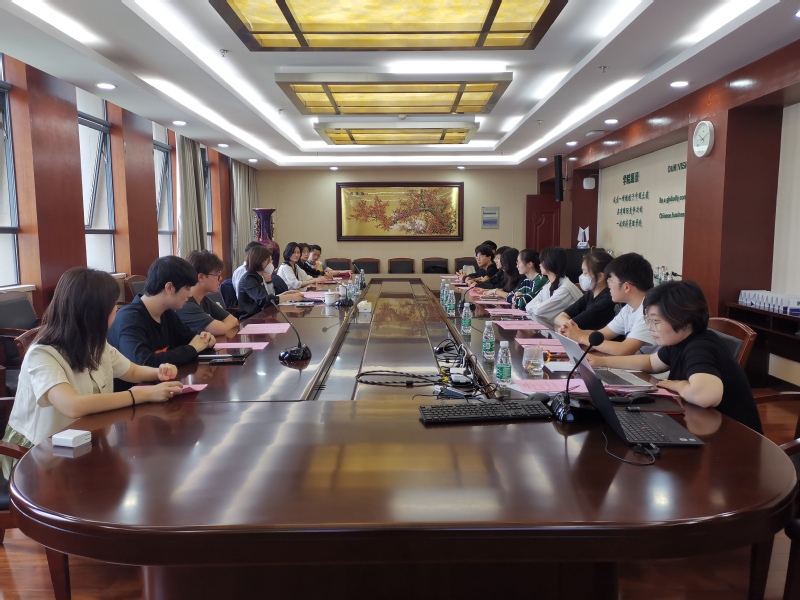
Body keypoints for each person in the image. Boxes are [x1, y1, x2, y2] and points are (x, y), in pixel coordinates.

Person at [2, 267, 184, 451]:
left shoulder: (94, 343)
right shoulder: (41, 354)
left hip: (85, 436)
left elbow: (132, 370)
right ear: (94, 314)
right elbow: (72, 406)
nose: (116, 309)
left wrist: (159, 372)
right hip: (38, 450)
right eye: (112, 305)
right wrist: (140, 395)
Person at [587, 280, 763, 434]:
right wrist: (603, 361)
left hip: (734, 439)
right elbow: (651, 362)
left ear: (684, 321)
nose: (650, 327)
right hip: (703, 426)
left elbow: (705, 396)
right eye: (648, 320)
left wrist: (676, 384)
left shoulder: (701, 346)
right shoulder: (679, 340)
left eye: (656, 321)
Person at [108, 256, 216, 372]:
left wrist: (205, 339)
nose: (190, 295)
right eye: (188, 288)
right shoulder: (130, 319)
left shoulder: (167, 313)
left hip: (165, 381)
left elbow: (190, 339)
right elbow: (143, 363)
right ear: (169, 287)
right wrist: (192, 348)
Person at [559, 252, 656, 355]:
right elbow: (602, 334)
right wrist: (572, 332)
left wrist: (581, 337)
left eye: (611, 281)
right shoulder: (629, 308)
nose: (608, 285)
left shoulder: (649, 311)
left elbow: (624, 349)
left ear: (626, 286)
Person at [178, 250, 239, 335]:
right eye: (217, 274)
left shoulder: (204, 299)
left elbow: (232, 320)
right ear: (201, 277)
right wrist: (221, 328)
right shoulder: (186, 304)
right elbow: (218, 329)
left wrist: (222, 328)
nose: (220, 278)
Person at [555, 250, 617, 332]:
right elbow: (559, 318)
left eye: (585, 273)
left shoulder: (606, 301)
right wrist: (567, 325)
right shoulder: (590, 294)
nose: (581, 277)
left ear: (600, 276)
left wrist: (567, 325)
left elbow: (574, 326)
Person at [238, 245, 303, 317]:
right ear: (261, 261)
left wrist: (285, 294)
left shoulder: (258, 276)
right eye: (269, 261)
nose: (271, 263)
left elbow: (268, 297)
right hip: (251, 319)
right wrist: (290, 297)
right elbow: (265, 300)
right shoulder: (249, 279)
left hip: (263, 316)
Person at [525, 246, 583, 321]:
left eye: (542, 261)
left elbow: (539, 311)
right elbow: (528, 306)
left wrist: (537, 305)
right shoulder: (548, 285)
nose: (540, 264)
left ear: (550, 262)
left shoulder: (565, 289)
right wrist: (538, 306)